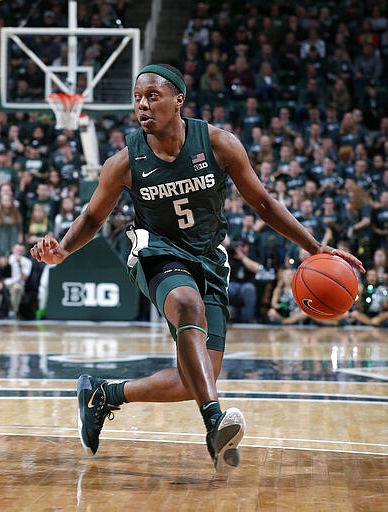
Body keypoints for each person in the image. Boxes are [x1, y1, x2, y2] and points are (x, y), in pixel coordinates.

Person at [30, 64, 364, 474]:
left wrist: (315, 249)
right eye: (138, 98)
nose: (143, 104)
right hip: (157, 252)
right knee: (187, 306)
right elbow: (92, 218)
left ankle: (103, 395)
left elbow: (263, 203)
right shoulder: (124, 161)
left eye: (153, 96)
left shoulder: (219, 144)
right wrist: (62, 250)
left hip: (208, 257)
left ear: (178, 101)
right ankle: (213, 423)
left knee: (195, 377)